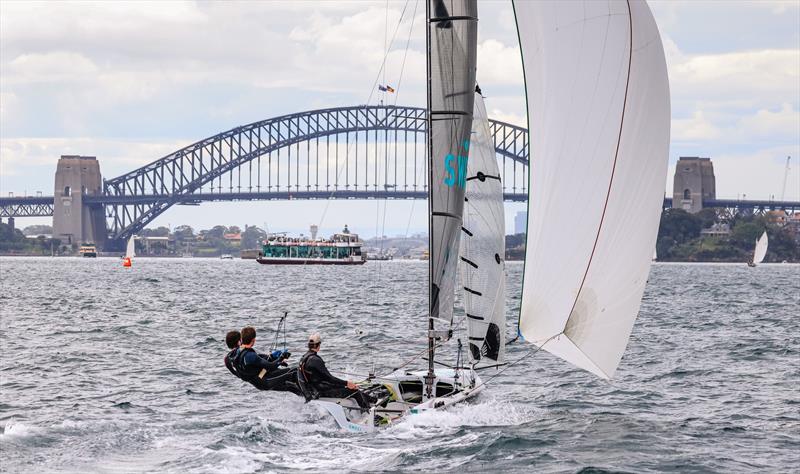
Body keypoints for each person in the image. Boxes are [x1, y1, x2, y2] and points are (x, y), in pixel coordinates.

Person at [298, 333, 371, 410]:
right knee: (354, 391)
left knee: (346, 386)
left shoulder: (303, 358)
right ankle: (370, 411)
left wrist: (345, 384)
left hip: (315, 389)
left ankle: (372, 400)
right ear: (318, 345)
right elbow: (330, 379)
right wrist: (347, 383)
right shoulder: (315, 360)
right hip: (321, 391)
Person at [232, 326, 302, 395]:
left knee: (290, 385)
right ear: (253, 340)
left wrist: (275, 359)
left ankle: (305, 397)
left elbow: (259, 361)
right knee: (294, 372)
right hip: (265, 382)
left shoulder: (239, 351)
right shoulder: (250, 355)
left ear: (242, 339)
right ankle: (309, 395)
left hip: (260, 379)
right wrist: (281, 357)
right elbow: (270, 366)